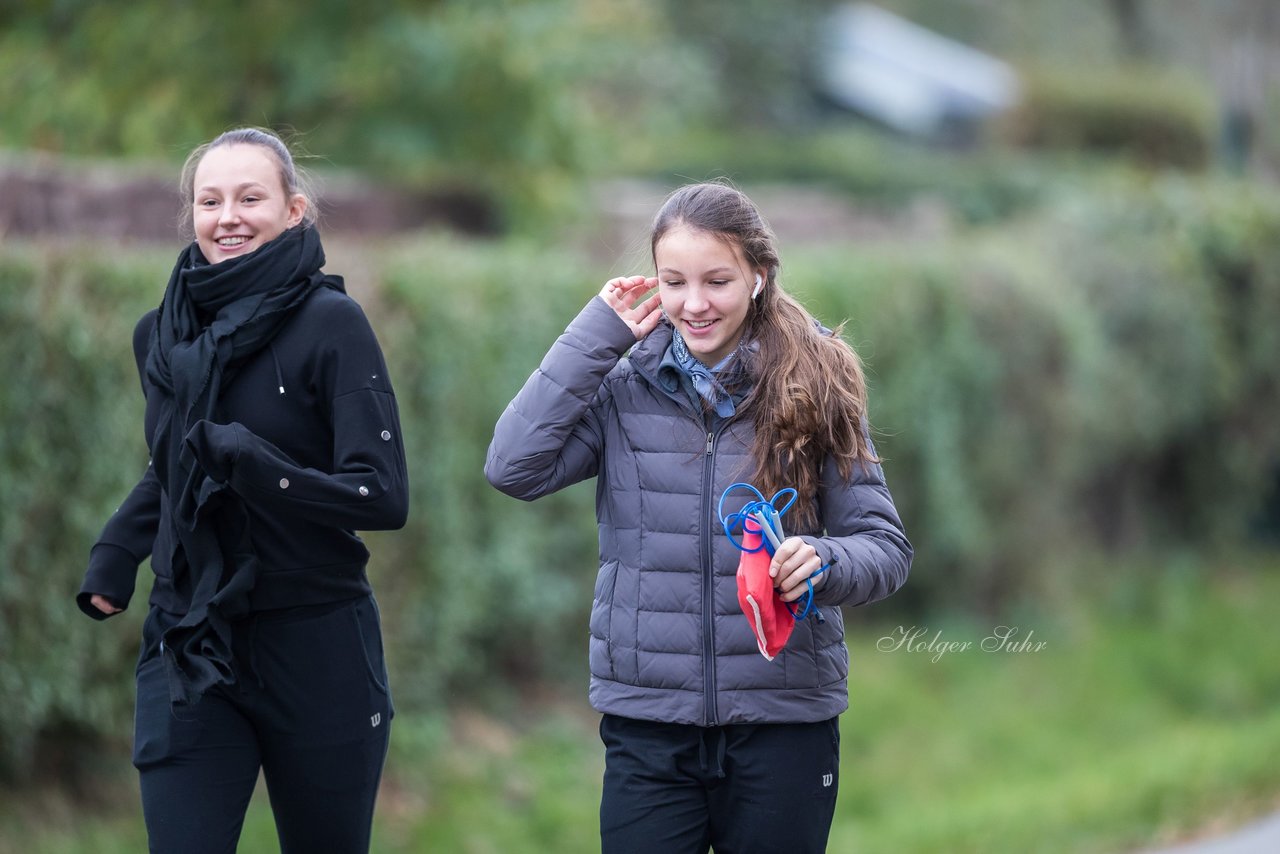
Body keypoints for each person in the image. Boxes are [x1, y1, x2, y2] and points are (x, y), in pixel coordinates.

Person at [485, 181, 912, 853]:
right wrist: (594, 333)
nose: (693, 303)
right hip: (648, 724)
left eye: (717, 280)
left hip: (783, 719)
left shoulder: (818, 385)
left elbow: (884, 548)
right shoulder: (621, 386)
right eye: (673, 281)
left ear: (759, 276)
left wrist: (825, 561)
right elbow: (512, 467)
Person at [76, 127, 409, 854]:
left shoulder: (332, 324)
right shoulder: (160, 338)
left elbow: (383, 495)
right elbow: (175, 463)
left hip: (316, 639)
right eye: (210, 200)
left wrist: (266, 470)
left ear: (294, 211)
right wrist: (116, 552)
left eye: (249, 198)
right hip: (192, 637)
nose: (228, 216)